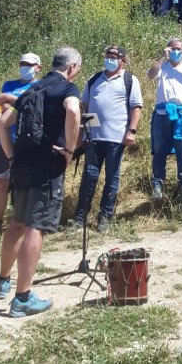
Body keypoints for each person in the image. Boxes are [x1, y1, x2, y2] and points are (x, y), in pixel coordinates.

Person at [0, 46, 82, 317]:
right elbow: (74, 113)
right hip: (46, 165)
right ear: (72, 67)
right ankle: (22, 297)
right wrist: (69, 150)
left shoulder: (30, 89)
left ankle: (2, 281)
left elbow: (2, 123)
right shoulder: (67, 89)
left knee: (16, 223)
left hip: (21, 164)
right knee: (35, 227)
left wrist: (10, 154)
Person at [74, 45, 142, 232]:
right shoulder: (94, 79)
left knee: (112, 178)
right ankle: (79, 219)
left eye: (114, 56)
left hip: (116, 138)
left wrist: (131, 132)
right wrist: (81, 134)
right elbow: (84, 107)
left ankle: (104, 218)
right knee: (89, 177)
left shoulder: (129, 80)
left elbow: (136, 107)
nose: (109, 59)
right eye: (107, 56)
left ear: (123, 60)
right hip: (93, 138)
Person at [0, 53, 42, 240]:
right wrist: (14, 101)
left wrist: (10, 100)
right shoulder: (9, 85)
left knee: (27, 184)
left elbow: (35, 107)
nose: (25, 67)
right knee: (1, 183)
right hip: (6, 141)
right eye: (22, 63)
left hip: (29, 143)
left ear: (38, 68)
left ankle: (23, 223)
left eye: (29, 64)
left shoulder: (40, 86)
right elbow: (0, 102)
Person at [147, 38, 182, 197]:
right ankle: (158, 184)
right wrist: (163, 58)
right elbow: (151, 75)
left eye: (178, 49)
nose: (175, 52)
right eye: (172, 49)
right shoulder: (162, 66)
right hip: (162, 113)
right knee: (159, 149)